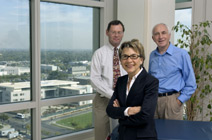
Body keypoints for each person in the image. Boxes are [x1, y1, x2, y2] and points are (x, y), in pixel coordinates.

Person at [106, 39, 159, 140]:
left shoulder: (151, 82)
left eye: (134, 56)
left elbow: (145, 116)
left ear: (141, 59)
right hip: (123, 135)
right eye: (125, 56)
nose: (129, 60)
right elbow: (110, 110)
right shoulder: (121, 81)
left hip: (142, 137)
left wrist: (120, 115)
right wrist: (129, 110)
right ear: (121, 60)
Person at [149, 23, 197, 120]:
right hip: (154, 101)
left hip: (172, 101)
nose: (161, 37)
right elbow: (150, 79)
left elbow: (191, 83)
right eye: (157, 34)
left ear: (169, 35)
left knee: (173, 133)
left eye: (164, 33)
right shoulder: (152, 55)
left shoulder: (181, 54)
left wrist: (179, 101)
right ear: (153, 38)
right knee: (153, 133)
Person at [90, 20, 127, 140]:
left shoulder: (128, 53)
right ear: (107, 33)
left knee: (124, 132)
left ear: (122, 34)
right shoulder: (99, 53)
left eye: (119, 32)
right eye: (113, 32)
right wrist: (112, 94)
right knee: (102, 135)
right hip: (103, 99)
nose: (116, 35)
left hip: (125, 99)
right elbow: (94, 80)